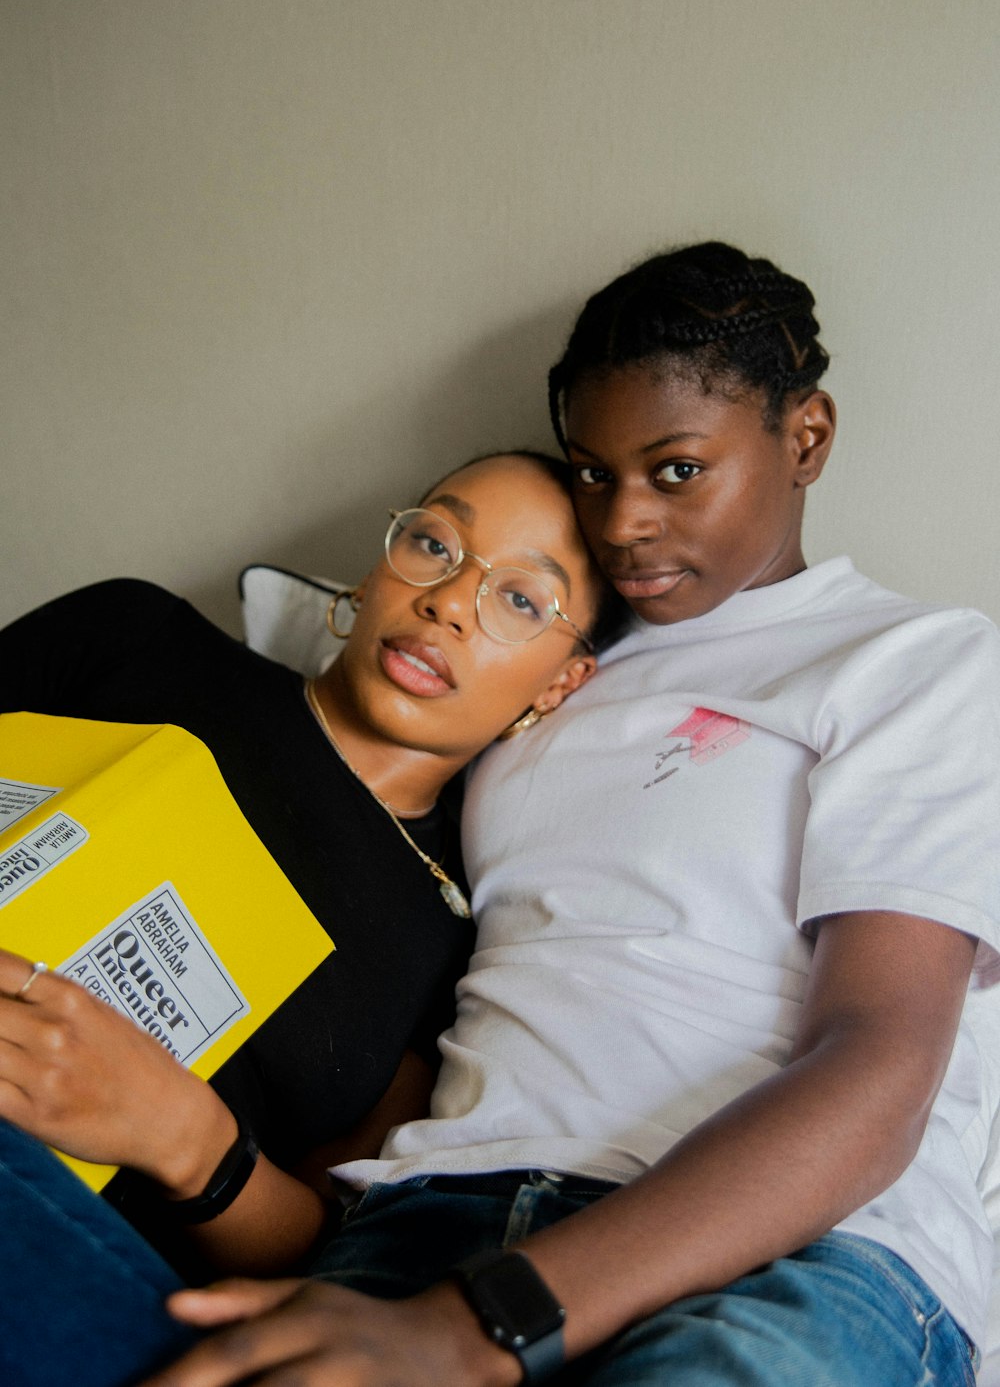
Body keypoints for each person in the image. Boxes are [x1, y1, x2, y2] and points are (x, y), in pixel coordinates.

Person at [4, 243, 1000, 1387]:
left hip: (789, 1252)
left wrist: (484, 1321)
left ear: (806, 437)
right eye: (592, 472)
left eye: (676, 471)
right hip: (439, 1212)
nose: (624, 522)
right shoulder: (522, 694)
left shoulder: (907, 659)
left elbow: (877, 1060)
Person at [0, 451, 617, 1295]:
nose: (446, 603)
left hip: (74, 1252)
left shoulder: (455, 947)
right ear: (376, 570)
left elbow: (325, 1250)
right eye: (436, 545)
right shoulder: (135, 636)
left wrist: (182, 1138)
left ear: (561, 683)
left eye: (519, 599)